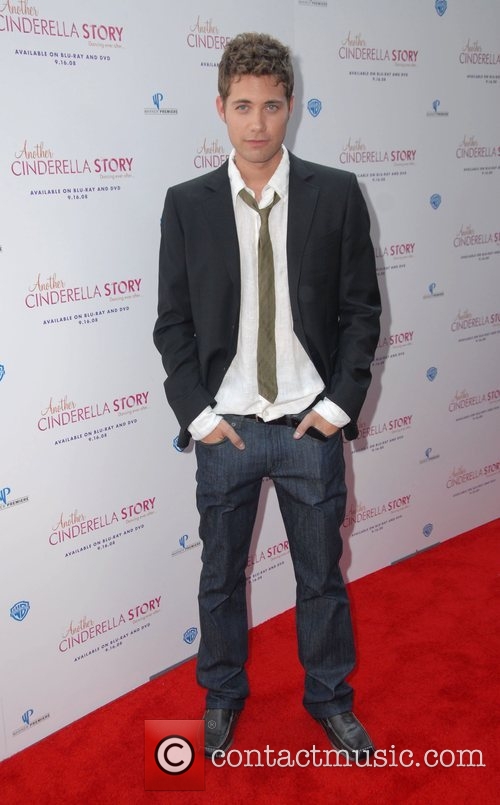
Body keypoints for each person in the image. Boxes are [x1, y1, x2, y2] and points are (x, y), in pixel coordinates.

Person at [153, 32, 381, 762]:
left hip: (309, 426)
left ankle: (331, 698)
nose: (257, 123)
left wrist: (338, 407)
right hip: (228, 430)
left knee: (321, 578)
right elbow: (173, 323)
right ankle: (222, 694)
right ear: (220, 107)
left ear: (292, 107)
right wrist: (198, 416)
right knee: (220, 578)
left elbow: (361, 311)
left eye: (272, 106)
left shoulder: (336, 194)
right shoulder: (186, 205)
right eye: (244, 106)